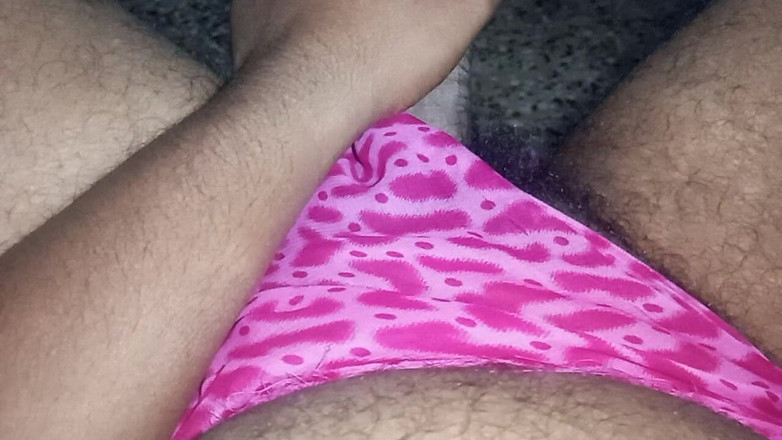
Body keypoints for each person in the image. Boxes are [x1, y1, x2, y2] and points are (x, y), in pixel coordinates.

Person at [0, 0, 780, 439]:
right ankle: (390, 118)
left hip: (128, 360)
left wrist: (316, 72)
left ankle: (351, 100)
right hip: (702, 356)